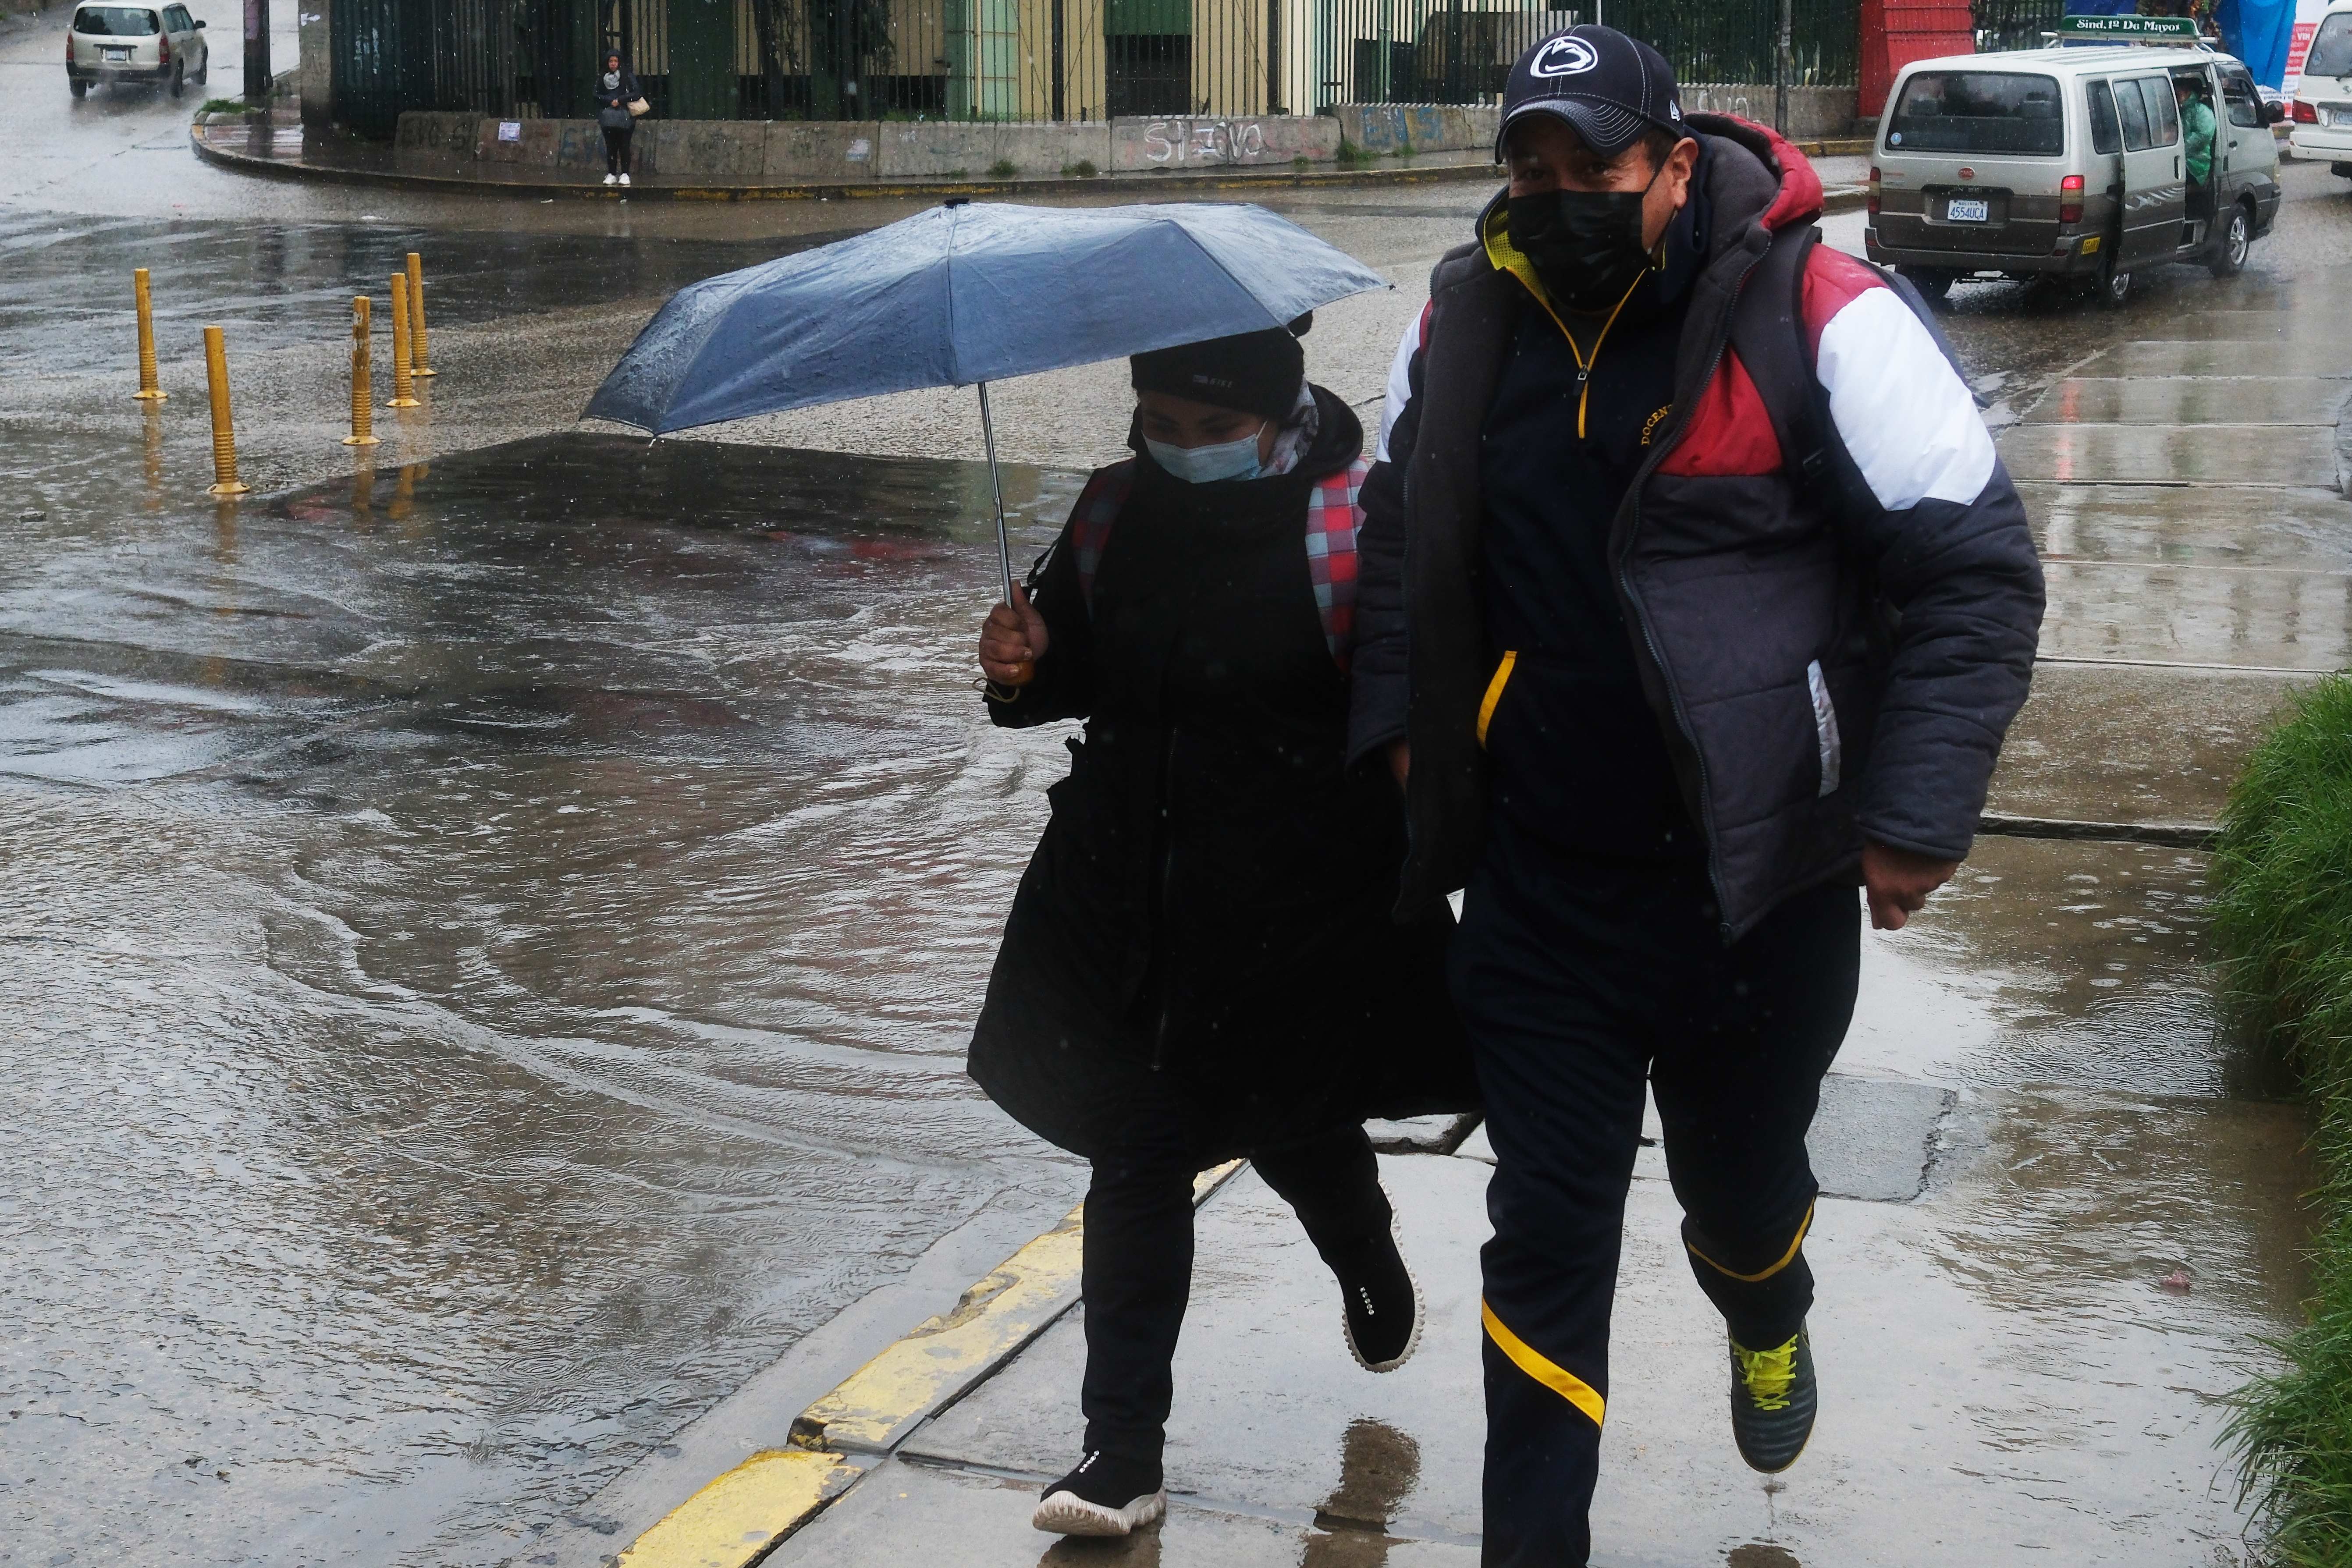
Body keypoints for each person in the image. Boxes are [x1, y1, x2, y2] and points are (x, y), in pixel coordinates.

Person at [1350, 25, 2043, 1566]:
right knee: (1543, 1237)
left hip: (1758, 892)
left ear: (1672, 165)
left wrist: (1915, 808)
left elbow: (1969, 569)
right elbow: (1395, 531)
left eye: (1587, 167)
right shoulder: (1464, 321)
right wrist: (1401, 724)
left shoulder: (1817, 311)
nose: (1551, 196)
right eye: (1524, 169)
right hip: (1540, 885)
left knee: (1737, 1191)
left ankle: (1767, 1301)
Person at [972, 321, 1473, 1539]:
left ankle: (1360, 1242)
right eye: (1160, 425)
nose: (1182, 449)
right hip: (1128, 895)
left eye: (1213, 430)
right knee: (1136, 1150)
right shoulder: (1105, 512)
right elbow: (1061, 681)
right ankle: (1120, 1450)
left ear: (1277, 414)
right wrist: (1019, 668)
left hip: (1300, 909)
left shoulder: (1356, 523)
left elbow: (1416, 708)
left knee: (1287, 1121)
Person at [595, 53, 639, 187]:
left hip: (625, 116)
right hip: (608, 118)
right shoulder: (603, 77)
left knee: (624, 145)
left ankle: (625, 173)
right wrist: (610, 101)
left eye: (616, 61)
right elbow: (596, 95)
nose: (613, 64)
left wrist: (620, 100)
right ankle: (612, 173)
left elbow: (637, 92)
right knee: (611, 146)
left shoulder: (626, 76)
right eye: (611, 61)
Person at [2178, 74, 2217, 190]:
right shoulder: (2177, 110)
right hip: (2180, 161)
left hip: (2197, 165)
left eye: (2178, 93)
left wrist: (2180, 148)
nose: (2176, 96)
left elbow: (2203, 136)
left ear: (2187, 92)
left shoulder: (2202, 112)